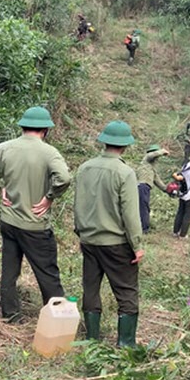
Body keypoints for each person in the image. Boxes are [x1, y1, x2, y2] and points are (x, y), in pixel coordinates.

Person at [0, 106, 72, 323]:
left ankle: (11, 316)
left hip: (9, 222)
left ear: (23, 126)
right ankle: (57, 322)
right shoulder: (49, 152)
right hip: (35, 226)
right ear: (45, 130)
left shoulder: (4, 148)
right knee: (48, 274)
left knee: (9, 272)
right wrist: (50, 196)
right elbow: (64, 178)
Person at [73, 120, 144, 346]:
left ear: (104, 142)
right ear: (125, 146)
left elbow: (78, 205)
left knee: (91, 288)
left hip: (89, 240)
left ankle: (92, 339)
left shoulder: (84, 168)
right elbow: (131, 214)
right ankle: (126, 343)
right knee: (126, 291)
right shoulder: (125, 172)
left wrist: (81, 232)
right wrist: (137, 245)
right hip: (116, 243)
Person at [136, 144, 169, 233]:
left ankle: (143, 227)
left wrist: (166, 189)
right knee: (143, 208)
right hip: (142, 186)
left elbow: (157, 180)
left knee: (144, 207)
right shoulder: (146, 160)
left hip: (145, 188)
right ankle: (144, 229)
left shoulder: (150, 168)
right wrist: (162, 151)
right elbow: (151, 155)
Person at [172, 151, 190, 238]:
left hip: (182, 194)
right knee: (187, 216)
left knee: (180, 213)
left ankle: (175, 232)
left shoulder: (185, 165)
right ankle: (183, 235)